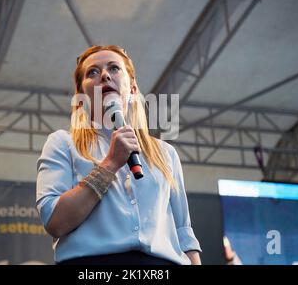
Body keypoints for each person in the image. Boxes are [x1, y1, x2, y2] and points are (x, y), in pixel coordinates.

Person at [36, 45, 202, 265]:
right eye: (92, 72)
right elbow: (55, 221)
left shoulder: (165, 153)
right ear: (81, 94)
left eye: (114, 68)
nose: (104, 75)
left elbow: (183, 232)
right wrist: (110, 163)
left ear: (133, 88)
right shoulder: (63, 143)